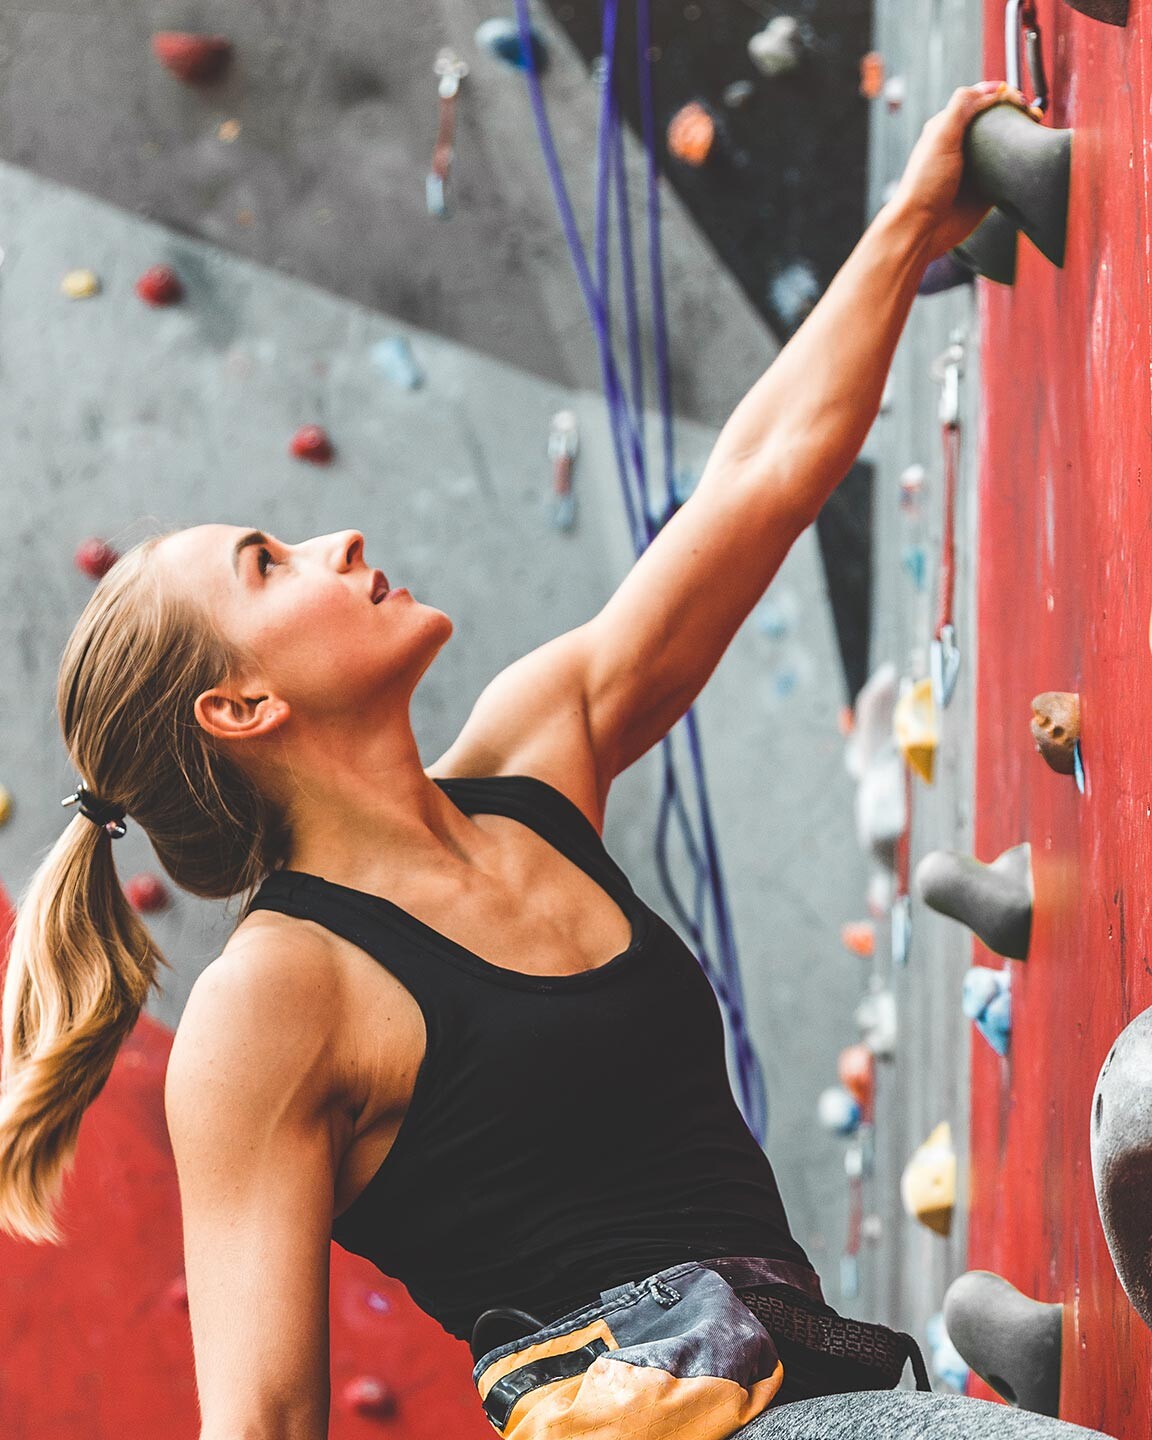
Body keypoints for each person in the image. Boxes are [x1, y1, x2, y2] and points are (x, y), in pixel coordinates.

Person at [0, 81, 1091, 1440]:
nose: (338, 541)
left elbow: (759, 477)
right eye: (268, 565)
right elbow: (264, 1422)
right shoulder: (271, 999)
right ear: (238, 708)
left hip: (832, 1392)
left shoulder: (530, 761)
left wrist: (914, 214)